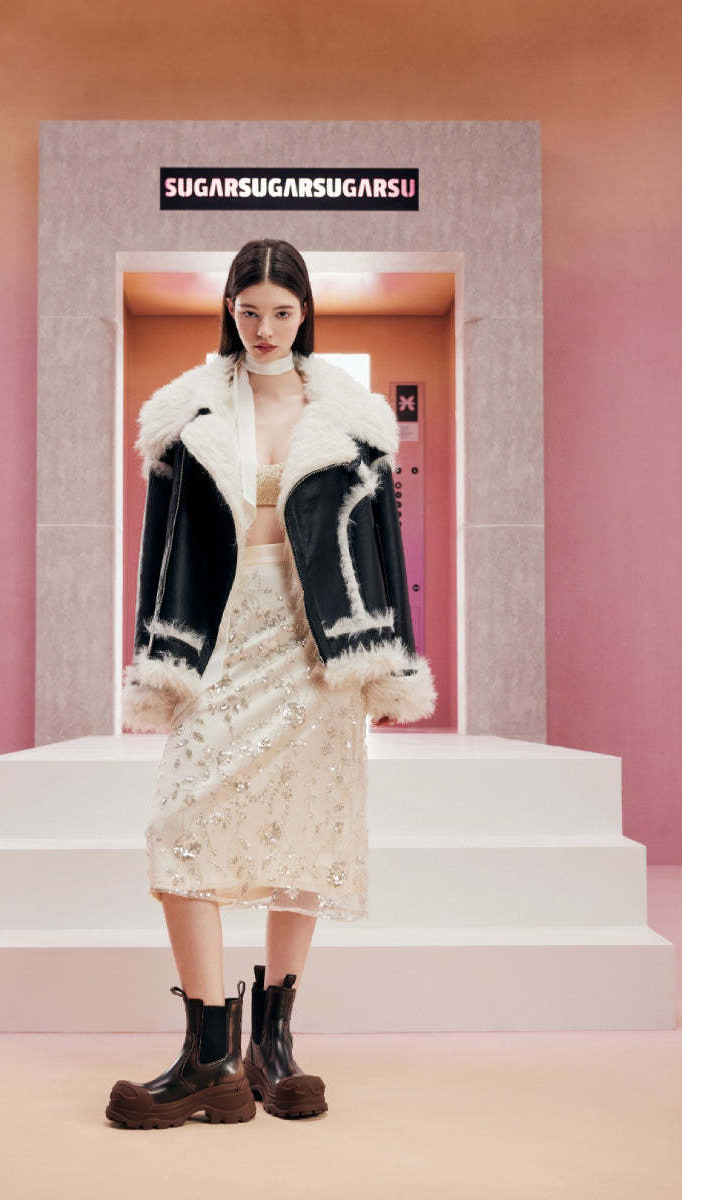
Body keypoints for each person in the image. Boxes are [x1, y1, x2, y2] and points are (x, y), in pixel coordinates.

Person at [105, 238, 435, 1129]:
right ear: (230, 309)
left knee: (305, 831)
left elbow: (382, 549)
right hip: (220, 632)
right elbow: (157, 555)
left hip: (316, 641)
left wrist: (391, 666)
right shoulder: (186, 414)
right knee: (182, 825)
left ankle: (273, 1046)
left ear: (304, 313)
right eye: (249, 311)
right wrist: (154, 658)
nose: (264, 328)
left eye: (281, 312)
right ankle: (209, 1055)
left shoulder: (354, 420)